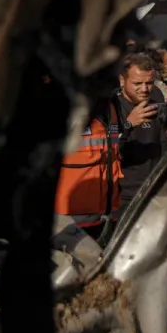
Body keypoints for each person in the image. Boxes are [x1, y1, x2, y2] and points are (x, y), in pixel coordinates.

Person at [54, 95, 123, 238]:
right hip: (67, 220)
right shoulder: (58, 104)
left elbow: (112, 154)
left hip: (105, 215)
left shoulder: (111, 104)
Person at [116, 52, 165, 204]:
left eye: (149, 83)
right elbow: (107, 149)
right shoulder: (111, 108)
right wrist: (129, 124)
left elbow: (164, 143)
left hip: (154, 191)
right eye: (137, 84)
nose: (144, 89)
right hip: (123, 195)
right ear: (122, 80)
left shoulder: (156, 100)